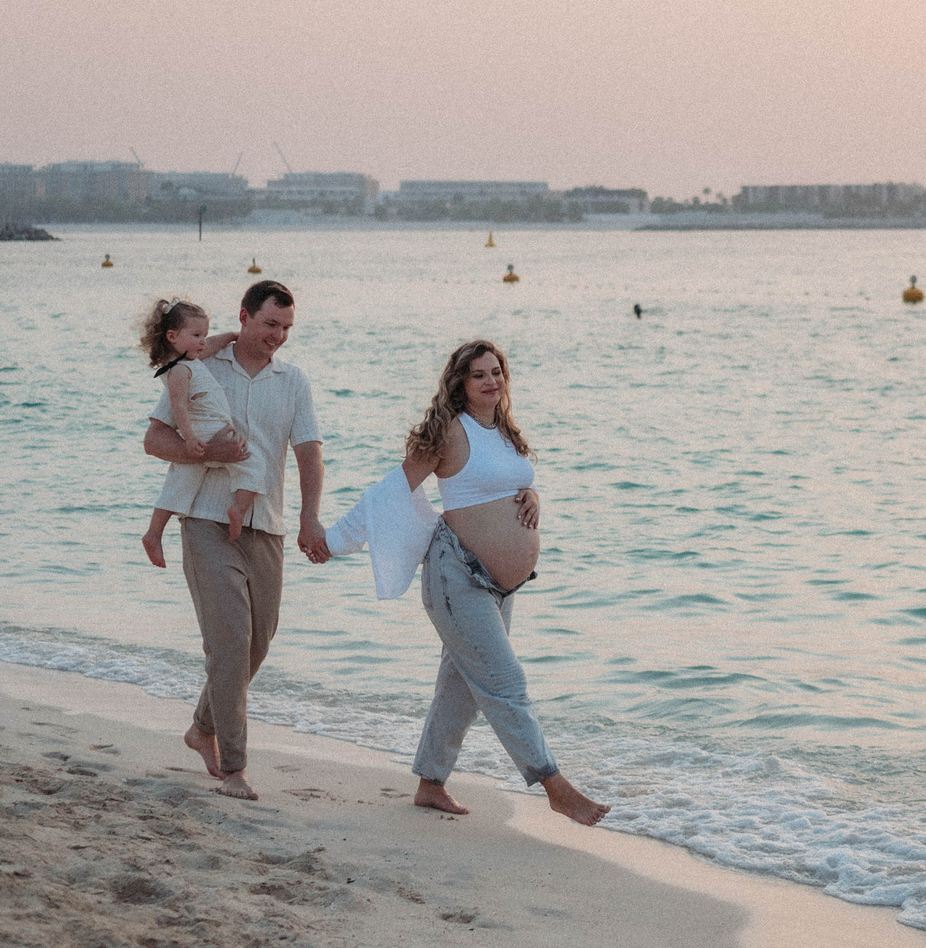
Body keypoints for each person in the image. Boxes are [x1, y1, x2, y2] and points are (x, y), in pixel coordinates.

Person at [325, 338, 606, 826]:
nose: (491, 381)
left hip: (500, 585)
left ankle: (431, 784)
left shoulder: (504, 430)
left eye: (497, 372)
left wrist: (532, 493)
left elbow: (501, 482)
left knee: (459, 689)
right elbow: (390, 492)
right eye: (479, 374)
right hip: (457, 576)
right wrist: (330, 541)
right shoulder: (448, 433)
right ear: (460, 382)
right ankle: (553, 785)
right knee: (504, 682)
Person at [140, 279, 325, 801]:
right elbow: (154, 439)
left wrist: (311, 518)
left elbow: (309, 454)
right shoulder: (199, 365)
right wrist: (204, 452)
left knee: (255, 646)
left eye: (287, 328)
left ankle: (201, 728)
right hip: (204, 519)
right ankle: (235, 768)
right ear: (243, 318)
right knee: (227, 644)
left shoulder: (294, 381)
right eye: (270, 325)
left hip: (266, 523)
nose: (279, 337)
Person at [136, 297, 256, 567]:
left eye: (204, 334)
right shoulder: (179, 370)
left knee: (182, 481)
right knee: (253, 464)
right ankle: (238, 509)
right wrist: (189, 439)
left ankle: (153, 533)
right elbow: (179, 407)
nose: (204, 340)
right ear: (172, 336)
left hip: (206, 429)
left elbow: (213, 344)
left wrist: (235, 336)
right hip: (207, 428)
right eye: (197, 335)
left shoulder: (189, 356)